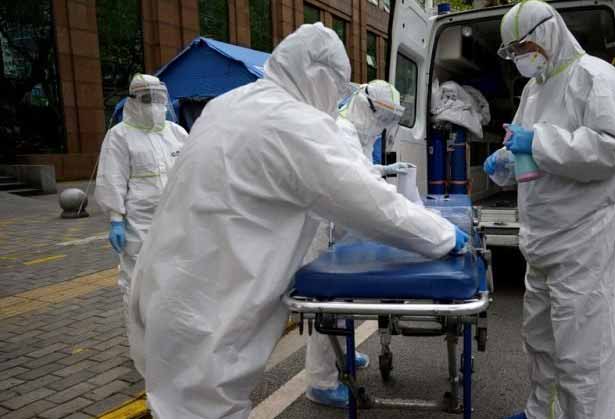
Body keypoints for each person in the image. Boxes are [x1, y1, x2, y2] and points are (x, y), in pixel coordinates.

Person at [126, 23, 468, 419]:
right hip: (211, 307)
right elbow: (368, 203)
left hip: (165, 284)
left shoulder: (228, 104)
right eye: (336, 87)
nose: (336, 99)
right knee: (203, 407)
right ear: (318, 76)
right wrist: (442, 235)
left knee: (176, 402)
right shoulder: (295, 124)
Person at [484, 2, 615, 418]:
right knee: (541, 342)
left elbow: (612, 149)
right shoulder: (534, 90)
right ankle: (540, 412)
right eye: (511, 52)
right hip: (541, 239)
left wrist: (537, 142)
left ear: (547, 33)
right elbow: (525, 148)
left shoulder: (595, 77)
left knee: (583, 355)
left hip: (584, 240)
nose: (518, 57)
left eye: (522, 47)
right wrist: (506, 161)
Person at [302, 79, 412, 408]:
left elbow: (359, 168)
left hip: (337, 228)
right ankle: (320, 382)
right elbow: (357, 184)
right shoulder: (342, 131)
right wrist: (404, 213)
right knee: (328, 306)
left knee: (341, 301)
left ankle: (344, 354)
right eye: (383, 118)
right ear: (367, 107)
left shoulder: (359, 131)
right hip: (323, 231)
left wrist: (383, 169)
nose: (383, 126)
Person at [95, 74, 187, 312]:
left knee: (175, 272)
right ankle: (138, 326)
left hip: (176, 217)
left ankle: (169, 321)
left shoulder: (176, 133)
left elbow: (192, 172)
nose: (155, 105)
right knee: (137, 276)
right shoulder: (120, 135)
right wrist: (116, 219)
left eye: (159, 98)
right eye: (148, 99)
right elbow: (112, 177)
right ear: (133, 100)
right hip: (139, 221)